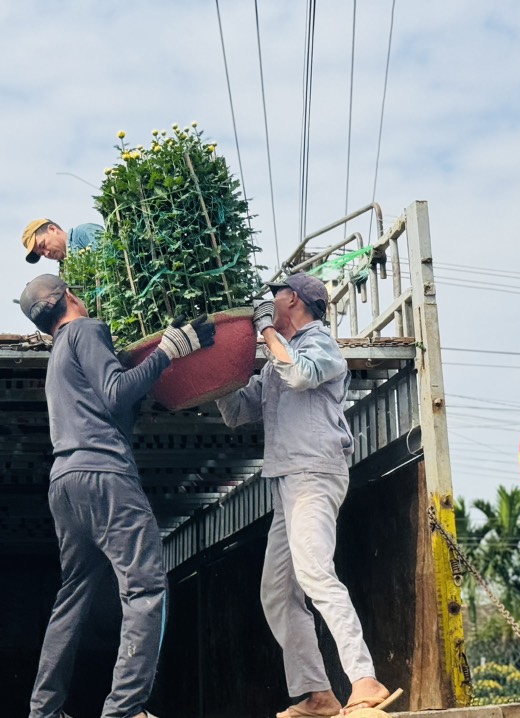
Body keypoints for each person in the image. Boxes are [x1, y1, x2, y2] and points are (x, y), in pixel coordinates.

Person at [20, 273, 216, 718]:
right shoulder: (85, 331)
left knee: (73, 595)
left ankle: (44, 711)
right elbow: (114, 394)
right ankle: (125, 708)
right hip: (105, 476)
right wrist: (167, 352)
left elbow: (108, 400)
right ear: (70, 296)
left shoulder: (57, 357)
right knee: (145, 587)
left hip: (65, 483)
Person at [216, 272, 399, 717]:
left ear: (292, 299)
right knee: (277, 592)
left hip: (315, 473)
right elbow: (238, 411)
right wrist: (215, 368)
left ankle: (365, 679)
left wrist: (265, 332)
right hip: (287, 481)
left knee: (315, 573)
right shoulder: (274, 362)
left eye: (274, 297)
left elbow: (301, 376)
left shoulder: (321, 345)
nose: (268, 304)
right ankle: (318, 694)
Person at [22, 218, 102, 263]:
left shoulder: (82, 233)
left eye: (43, 245)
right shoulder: (64, 273)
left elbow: (105, 251)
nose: (46, 253)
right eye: (41, 254)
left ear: (52, 229)